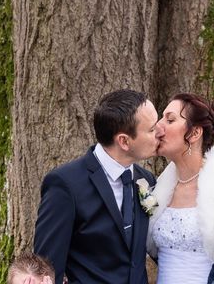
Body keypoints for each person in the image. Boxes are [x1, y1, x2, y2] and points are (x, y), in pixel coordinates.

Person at [34, 89, 161, 284]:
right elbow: (46, 268)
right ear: (124, 141)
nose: (160, 132)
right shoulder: (65, 185)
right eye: (152, 130)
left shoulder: (146, 181)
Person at [147, 93, 214, 283]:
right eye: (161, 118)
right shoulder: (160, 186)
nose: (158, 126)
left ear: (194, 133)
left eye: (170, 119)